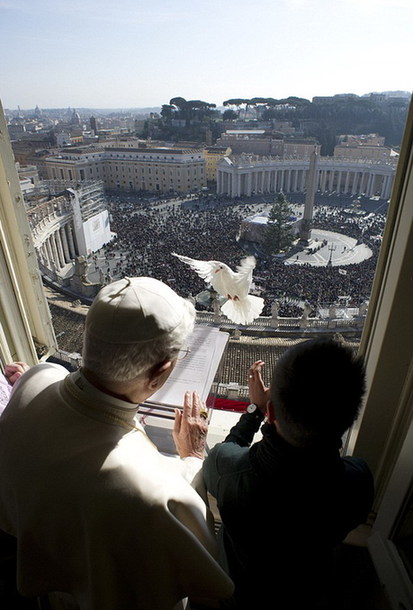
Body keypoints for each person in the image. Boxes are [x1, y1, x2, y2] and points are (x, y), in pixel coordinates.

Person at [0, 277, 233, 610]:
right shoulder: (155, 493)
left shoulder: (37, 379)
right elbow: (202, 577)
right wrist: (194, 457)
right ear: (161, 372)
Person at [202, 338, 374, 610]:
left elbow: (226, 450)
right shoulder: (358, 482)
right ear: (349, 417)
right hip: (307, 596)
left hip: (238, 597)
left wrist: (253, 410)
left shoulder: (228, 471)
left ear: (271, 411)